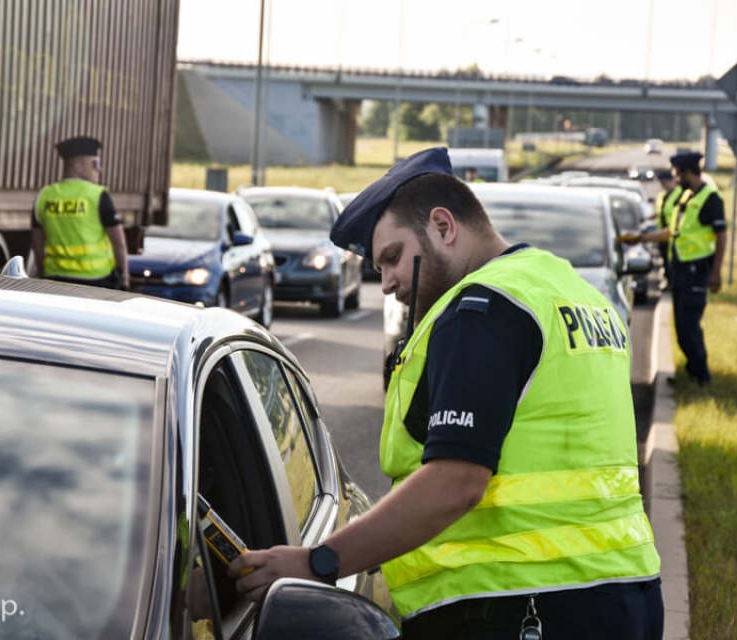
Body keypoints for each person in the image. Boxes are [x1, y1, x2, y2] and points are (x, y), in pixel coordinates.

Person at [228, 147, 663, 639]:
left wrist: (319, 561)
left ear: (443, 225)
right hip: (627, 595)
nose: (388, 283)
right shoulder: (579, 295)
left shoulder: (480, 310)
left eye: (392, 257)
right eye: (378, 268)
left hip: (518, 607)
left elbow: (455, 482)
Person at [634, 151, 726, 386]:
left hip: (697, 271)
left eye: (676, 174)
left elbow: (721, 236)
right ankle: (693, 371)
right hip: (682, 272)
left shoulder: (710, 199)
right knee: (682, 326)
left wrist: (716, 272)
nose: (674, 179)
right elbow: (672, 233)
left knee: (690, 326)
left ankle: (701, 377)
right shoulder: (684, 198)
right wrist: (641, 239)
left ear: (686, 172)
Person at [31, 135, 130, 290]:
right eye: (95, 164)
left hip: (55, 279)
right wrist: (124, 278)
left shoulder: (44, 195)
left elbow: (37, 245)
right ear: (77, 167)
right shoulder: (97, 195)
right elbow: (119, 242)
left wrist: (43, 273)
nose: (100, 169)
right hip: (95, 281)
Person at [653, 168, 683, 289]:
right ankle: (668, 281)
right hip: (662, 234)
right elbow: (661, 211)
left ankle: (671, 283)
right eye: (661, 182)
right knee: (665, 259)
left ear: (672, 180)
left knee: (670, 260)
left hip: (672, 233)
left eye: (665, 181)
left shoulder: (679, 195)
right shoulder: (662, 195)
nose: (663, 184)